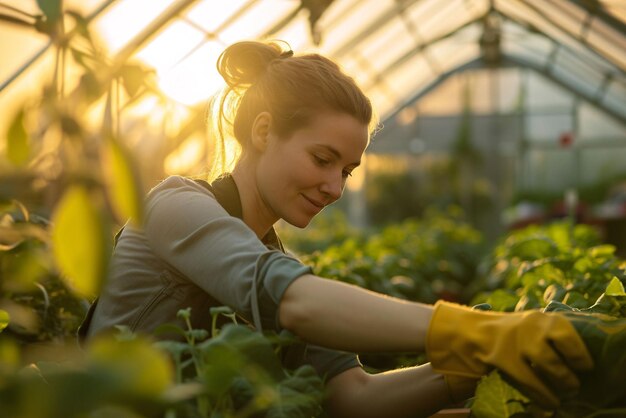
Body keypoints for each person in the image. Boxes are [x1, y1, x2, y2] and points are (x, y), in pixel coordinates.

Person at [81, 40, 593, 417]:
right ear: (263, 131)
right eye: (322, 159)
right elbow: (295, 302)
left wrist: (474, 369)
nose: (335, 187)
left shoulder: (280, 266)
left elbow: (355, 396)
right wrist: (474, 331)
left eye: (346, 171)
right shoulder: (174, 206)